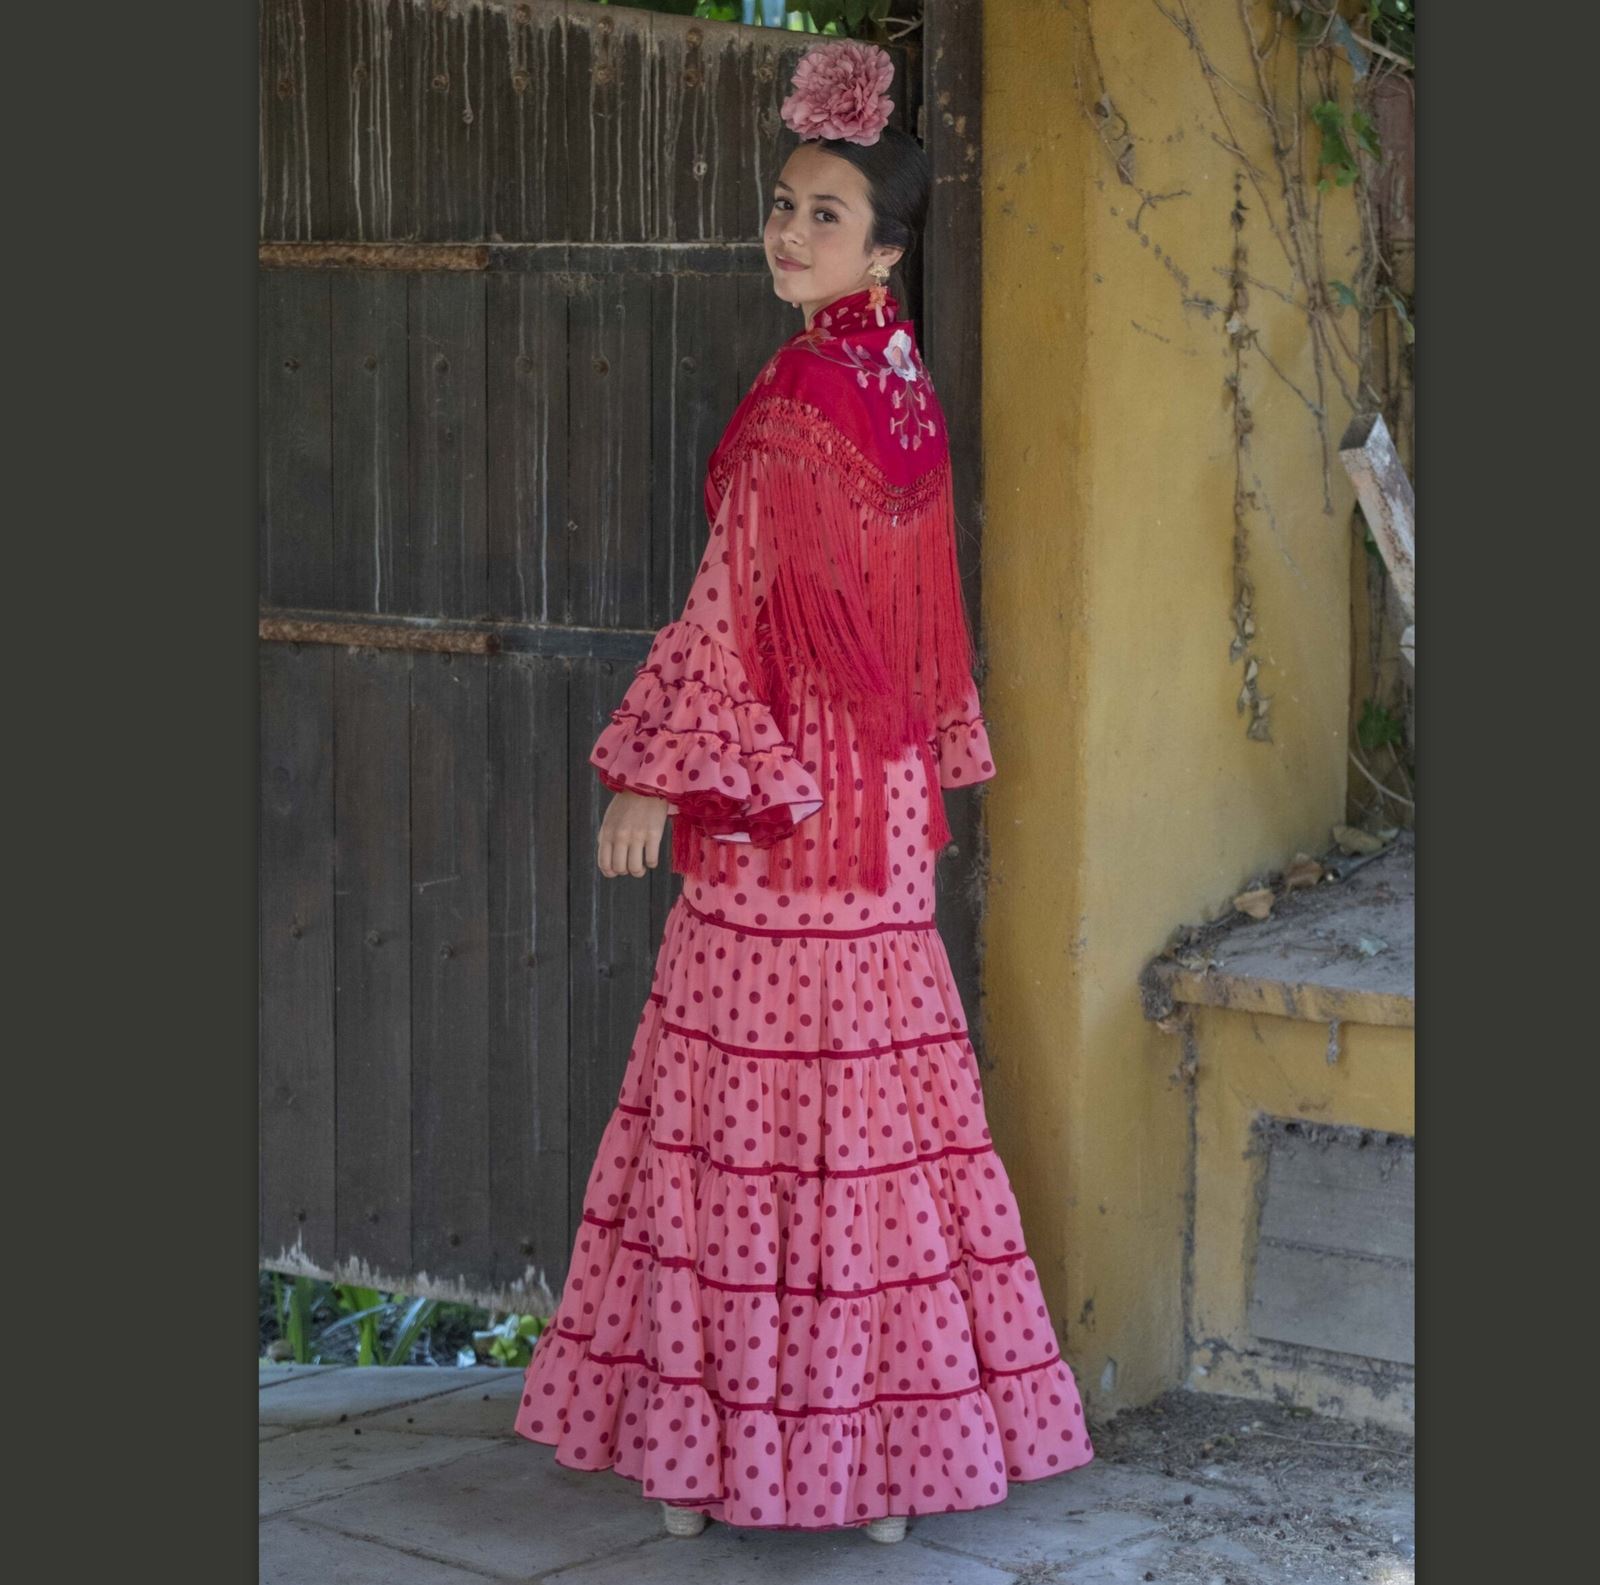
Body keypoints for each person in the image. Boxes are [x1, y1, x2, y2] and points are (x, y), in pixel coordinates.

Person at [514, 40, 1094, 1543]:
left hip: (783, 801)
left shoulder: (794, 402)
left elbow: (736, 599)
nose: (788, 232)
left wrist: (655, 771)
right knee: (875, 1111)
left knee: (746, 1101)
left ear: (886, 248)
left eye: (824, 214)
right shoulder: (895, 385)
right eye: (783, 204)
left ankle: (735, 1459)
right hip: (877, 801)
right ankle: (883, 1464)